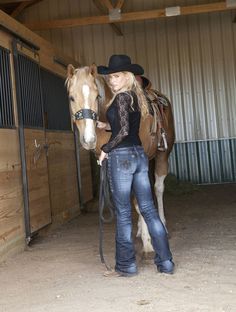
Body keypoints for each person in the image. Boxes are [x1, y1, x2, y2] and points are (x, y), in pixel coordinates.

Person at [96, 54, 174, 277]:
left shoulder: (121, 98)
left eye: (117, 76)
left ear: (128, 76)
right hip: (139, 155)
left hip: (122, 159)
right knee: (149, 210)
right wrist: (105, 124)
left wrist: (105, 149)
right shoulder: (135, 97)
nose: (112, 80)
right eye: (110, 77)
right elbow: (126, 129)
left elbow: (121, 134)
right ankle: (166, 262)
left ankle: (126, 266)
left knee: (122, 213)